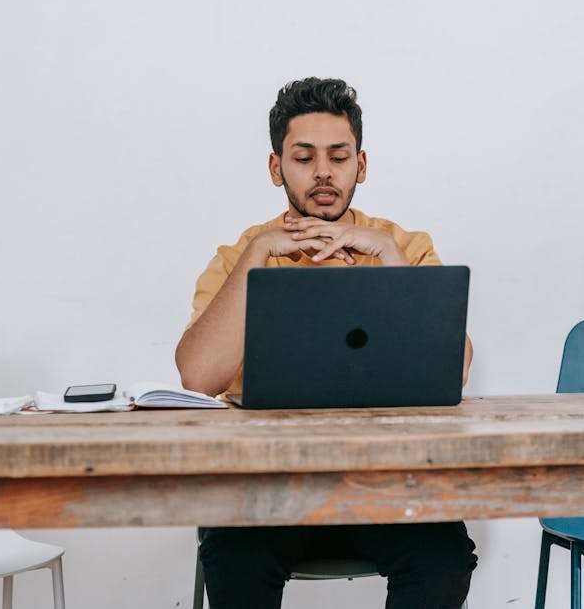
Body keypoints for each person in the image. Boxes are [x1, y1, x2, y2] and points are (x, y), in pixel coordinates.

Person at [175, 77, 477, 609]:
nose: (322, 172)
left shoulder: (404, 246)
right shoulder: (238, 257)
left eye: (339, 157)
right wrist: (263, 251)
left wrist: (382, 252)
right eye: (303, 157)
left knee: (442, 557)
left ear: (361, 165)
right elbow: (199, 377)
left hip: (384, 484)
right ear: (277, 169)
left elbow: (452, 371)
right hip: (265, 489)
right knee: (233, 558)